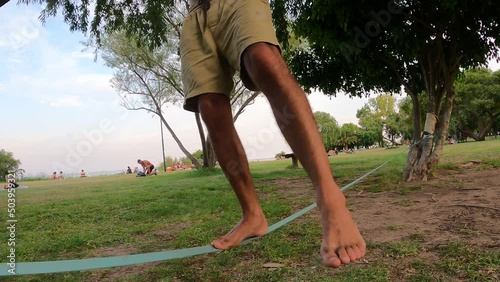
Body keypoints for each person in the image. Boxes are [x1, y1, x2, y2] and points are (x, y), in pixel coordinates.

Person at [179, 0, 365, 267]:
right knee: (209, 105)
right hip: (195, 12)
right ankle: (252, 216)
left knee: (263, 58)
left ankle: (331, 199)